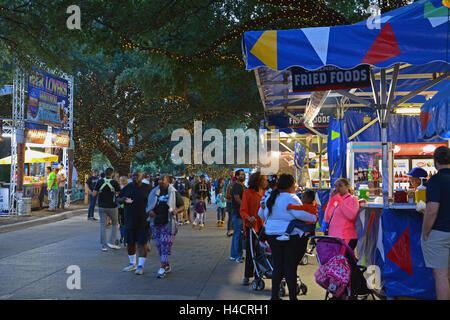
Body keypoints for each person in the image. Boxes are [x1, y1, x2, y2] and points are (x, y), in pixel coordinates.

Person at [258, 174, 317, 300]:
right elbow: (300, 214)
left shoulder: (270, 197)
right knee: (290, 267)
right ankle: (292, 297)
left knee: (278, 266)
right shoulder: (292, 198)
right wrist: (314, 217)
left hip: (272, 236)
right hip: (290, 237)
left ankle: (274, 296)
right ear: (291, 186)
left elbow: (262, 215)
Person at [421, 146, 450, 300]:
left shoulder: (435, 181)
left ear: (435, 161)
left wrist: (425, 231)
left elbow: (432, 209)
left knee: (441, 275)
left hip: (439, 233)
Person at [146, 174, 184, 278]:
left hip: (168, 222)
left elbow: (182, 206)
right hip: (156, 222)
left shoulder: (173, 192)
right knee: (159, 246)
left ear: (168, 181)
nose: (160, 181)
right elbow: (149, 206)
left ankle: (162, 268)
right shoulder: (153, 192)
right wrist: (150, 211)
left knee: (165, 245)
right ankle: (167, 265)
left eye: (163, 180)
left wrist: (176, 211)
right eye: (159, 180)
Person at [118, 171, 152, 275]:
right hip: (129, 220)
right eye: (133, 176)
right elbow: (118, 199)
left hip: (144, 221)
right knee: (130, 243)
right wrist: (122, 199)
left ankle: (140, 266)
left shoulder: (148, 188)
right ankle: (132, 264)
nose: (135, 177)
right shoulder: (127, 187)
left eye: (137, 176)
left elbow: (155, 200)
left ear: (142, 177)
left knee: (142, 244)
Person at [239, 171, 267, 285]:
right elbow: (243, 209)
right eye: (264, 179)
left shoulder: (266, 193)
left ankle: (258, 275)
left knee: (262, 251)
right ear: (258, 181)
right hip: (252, 226)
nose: (266, 181)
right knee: (251, 252)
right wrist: (248, 217)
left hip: (264, 226)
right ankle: (247, 276)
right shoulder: (247, 192)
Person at [324, 178, 360, 250]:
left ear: (347, 187)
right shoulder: (336, 200)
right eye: (335, 186)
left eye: (340, 186)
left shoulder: (353, 199)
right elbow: (327, 218)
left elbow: (351, 216)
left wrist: (339, 200)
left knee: (343, 260)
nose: (337, 188)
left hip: (346, 237)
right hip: (333, 237)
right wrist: (331, 200)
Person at [92, 167, 121, 252]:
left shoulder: (100, 181)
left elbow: (94, 194)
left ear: (105, 173)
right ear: (112, 174)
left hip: (102, 207)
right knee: (115, 224)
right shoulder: (114, 182)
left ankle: (103, 246)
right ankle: (111, 242)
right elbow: (119, 193)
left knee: (103, 225)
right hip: (112, 206)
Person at [230, 169, 246, 263]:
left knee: (237, 234)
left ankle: (233, 254)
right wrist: (245, 207)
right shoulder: (236, 186)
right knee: (238, 235)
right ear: (236, 176)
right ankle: (238, 255)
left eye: (244, 174)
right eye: (241, 174)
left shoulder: (243, 186)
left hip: (240, 213)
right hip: (238, 213)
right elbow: (237, 198)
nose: (243, 176)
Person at [118, 176, 129, 246]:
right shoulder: (129, 188)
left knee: (122, 223)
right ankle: (126, 238)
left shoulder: (121, 190)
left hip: (122, 208)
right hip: (128, 208)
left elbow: (119, 200)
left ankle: (123, 237)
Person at [224, 172, 235, 236]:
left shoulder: (237, 186)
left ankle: (233, 230)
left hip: (234, 204)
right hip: (230, 203)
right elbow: (227, 195)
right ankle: (229, 230)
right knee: (231, 217)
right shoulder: (229, 186)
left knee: (234, 217)